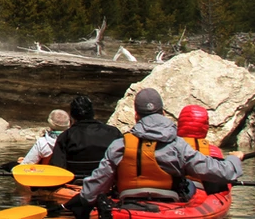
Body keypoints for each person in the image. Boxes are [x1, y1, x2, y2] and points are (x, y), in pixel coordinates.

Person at [74, 88, 242, 210]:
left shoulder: (120, 144)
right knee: (191, 183)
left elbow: (99, 181)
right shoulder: (178, 145)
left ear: (136, 115)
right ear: (162, 113)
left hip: (126, 204)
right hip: (170, 203)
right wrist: (234, 159)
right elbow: (221, 172)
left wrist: (83, 199)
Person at [49, 95, 123, 180]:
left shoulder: (65, 137)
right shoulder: (113, 133)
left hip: (74, 183)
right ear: (93, 113)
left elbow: (57, 168)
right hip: (107, 182)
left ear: (71, 116)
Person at [177, 104, 230, 195]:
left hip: (176, 190)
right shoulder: (213, 151)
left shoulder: (169, 147)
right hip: (203, 193)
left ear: (180, 123)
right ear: (205, 126)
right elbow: (222, 177)